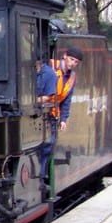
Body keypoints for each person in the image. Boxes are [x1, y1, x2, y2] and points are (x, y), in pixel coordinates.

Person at [37, 46, 84, 195]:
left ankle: (42, 176)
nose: (72, 63)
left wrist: (64, 119)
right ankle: (39, 176)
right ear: (65, 56)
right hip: (40, 110)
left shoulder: (71, 78)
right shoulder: (50, 67)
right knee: (45, 144)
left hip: (53, 114)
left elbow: (67, 100)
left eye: (76, 62)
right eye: (71, 59)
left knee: (50, 145)